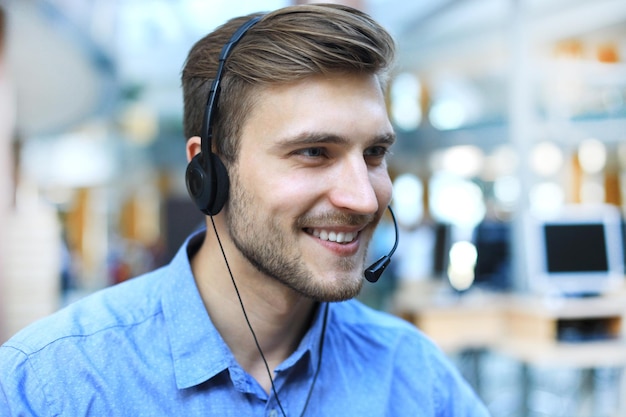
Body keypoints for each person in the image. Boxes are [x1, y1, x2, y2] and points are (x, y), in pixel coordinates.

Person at [0, 4, 490, 416]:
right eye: (314, 152)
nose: (363, 198)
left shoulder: (417, 380)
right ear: (208, 170)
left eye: (374, 154)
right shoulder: (51, 384)